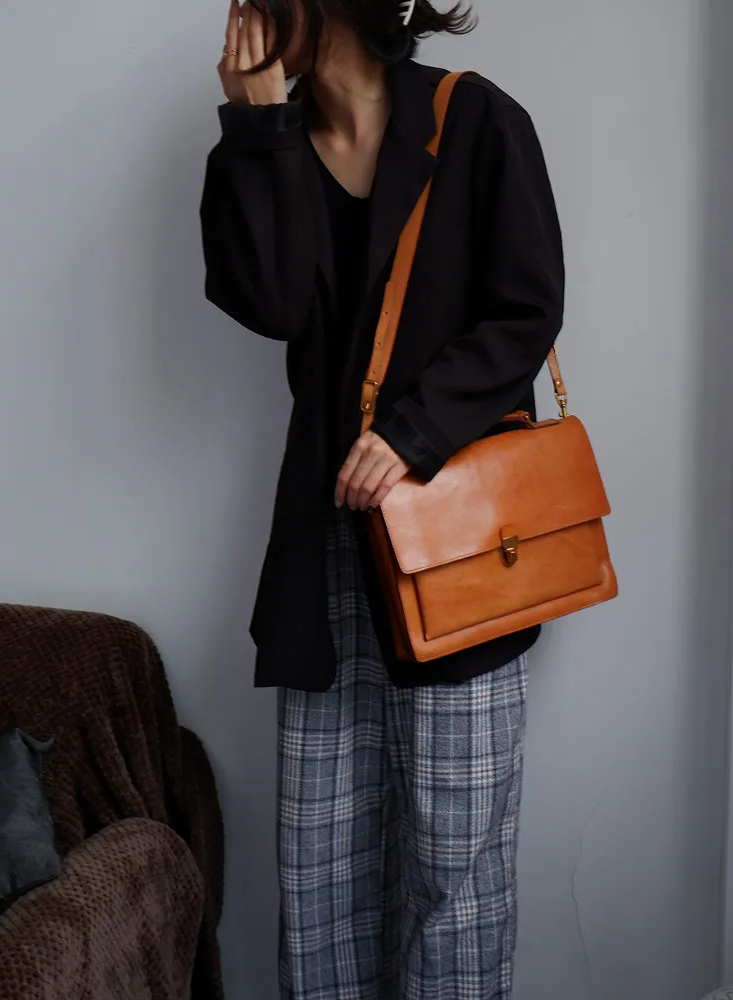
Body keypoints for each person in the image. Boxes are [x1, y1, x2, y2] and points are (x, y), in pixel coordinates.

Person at [200, 1, 564, 997]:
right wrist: (257, 132)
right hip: (328, 550)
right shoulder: (265, 145)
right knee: (322, 868)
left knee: (455, 868)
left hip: (457, 549)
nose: (236, 16)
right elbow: (272, 304)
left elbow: (527, 310)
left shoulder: (475, 120)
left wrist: (412, 433)